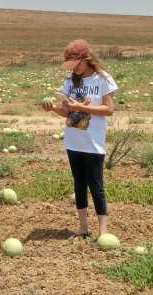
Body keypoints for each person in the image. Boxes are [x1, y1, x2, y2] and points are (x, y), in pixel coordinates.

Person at [42, 39, 118, 239]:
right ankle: (83, 229)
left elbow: (109, 110)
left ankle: (103, 232)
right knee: (79, 184)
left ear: (86, 59)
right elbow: (66, 112)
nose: (73, 70)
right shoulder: (69, 82)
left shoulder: (102, 79)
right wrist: (53, 109)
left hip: (93, 143)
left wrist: (82, 108)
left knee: (96, 186)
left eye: (75, 65)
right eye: (70, 66)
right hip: (73, 141)